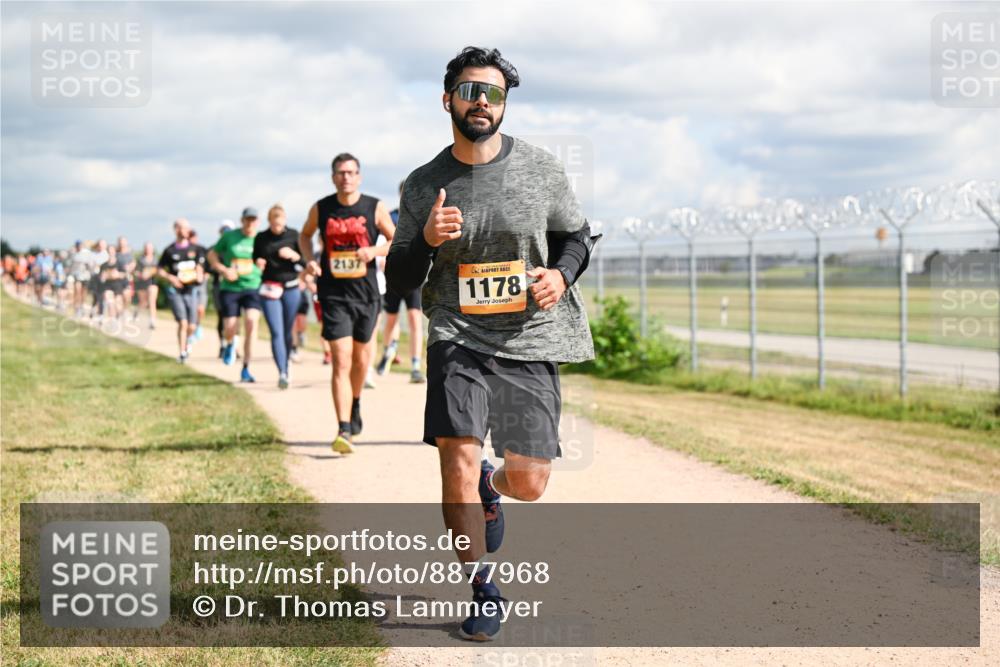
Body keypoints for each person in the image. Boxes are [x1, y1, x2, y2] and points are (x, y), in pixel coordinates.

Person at [385, 46, 598, 641]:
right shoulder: (423, 184)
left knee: (529, 482)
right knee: (456, 456)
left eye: (494, 93)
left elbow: (577, 238)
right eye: (470, 91)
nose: (482, 101)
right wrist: (426, 239)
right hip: (456, 333)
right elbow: (399, 276)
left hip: (528, 336)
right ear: (447, 100)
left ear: (504, 103)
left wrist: (562, 275)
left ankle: (492, 485)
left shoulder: (541, 169)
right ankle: (483, 588)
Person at [299, 153, 395, 454]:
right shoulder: (322, 207)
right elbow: (305, 236)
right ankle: (342, 428)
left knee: (361, 360)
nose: (346, 177)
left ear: (359, 177)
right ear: (333, 177)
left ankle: (355, 402)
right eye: (341, 173)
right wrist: (309, 261)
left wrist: (374, 252)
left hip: (366, 293)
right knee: (341, 359)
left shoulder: (374, 206)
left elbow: (397, 240)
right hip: (333, 293)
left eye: (351, 172)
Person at [377, 180, 427, 383]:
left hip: (414, 275)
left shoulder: (421, 216)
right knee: (391, 319)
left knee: (415, 318)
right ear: (401, 195)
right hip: (393, 274)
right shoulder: (391, 217)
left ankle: (415, 365)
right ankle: (387, 352)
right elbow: (383, 242)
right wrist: (382, 259)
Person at [209, 208, 263, 382]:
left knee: (252, 322)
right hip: (230, 287)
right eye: (247, 219)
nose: (250, 223)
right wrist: (223, 269)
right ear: (242, 220)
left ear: (258, 221)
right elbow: (212, 254)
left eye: (253, 219)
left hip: (252, 286)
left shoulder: (261, 239)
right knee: (230, 327)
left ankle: (246, 367)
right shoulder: (229, 236)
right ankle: (230, 343)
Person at [253, 204, 303, 389]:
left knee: (287, 331)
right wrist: (258, 261)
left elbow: (306, 261)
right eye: (274, 225)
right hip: (270, 288)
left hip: (291, 287)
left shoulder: (294, 235)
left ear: (285, 221)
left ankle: (287, 363)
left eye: (280, 224)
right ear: (269, 222)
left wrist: (294, 256)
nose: (277, 227)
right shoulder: (261, 237)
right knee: (276, 331)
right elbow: (255, 257)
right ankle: (282, 372)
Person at [158, 219, 205, 362]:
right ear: (176, 230)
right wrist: (170, 278)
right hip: (176, 291)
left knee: (192, 325)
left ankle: (188, 342)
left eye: (187, 228)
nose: (186, 230)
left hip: (192, 290)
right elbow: (159, 269)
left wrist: (200, 274)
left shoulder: (196, 249)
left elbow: (200, 266)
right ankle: (182, 352)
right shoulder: (169, 250)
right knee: (182, 323)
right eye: (183, 228)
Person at [211, 220, 236, 357]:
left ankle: (233, 346)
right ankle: (223, 345)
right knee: (222, 316)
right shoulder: (215, 249)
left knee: (235, 317)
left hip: (235, 287)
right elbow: (208, 267)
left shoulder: (236, 247)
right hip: (219, 286)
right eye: (223, 230)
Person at [188, 229, 209, 343]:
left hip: (202, 284)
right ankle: (190, 332)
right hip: (190, 284)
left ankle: (198, 325)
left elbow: (208, 264)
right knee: (191, 309)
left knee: (200, 309)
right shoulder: (185, 250)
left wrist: (206, 274)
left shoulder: (202, 249)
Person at [134, 242, 160, 327]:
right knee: (143, 303)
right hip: (142, 283)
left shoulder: (156, 260)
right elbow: (135, 271)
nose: (148, 250)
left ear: (152, 249)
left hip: (152, 282)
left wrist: (151, 272)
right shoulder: (140, 260)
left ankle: (152, 321)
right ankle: (136, 313)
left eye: (150, 248)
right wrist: (141, 275)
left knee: (152, 301)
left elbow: (159, 270)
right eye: (147, 248)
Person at [68, 240, 94, 317]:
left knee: (83, 293)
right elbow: (71, 264)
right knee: (77, 290)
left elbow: (91, 264)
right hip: (77, 276)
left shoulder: (87, 253)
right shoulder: (73, 253)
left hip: (85, 276)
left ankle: (82, 306)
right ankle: (77, 308)